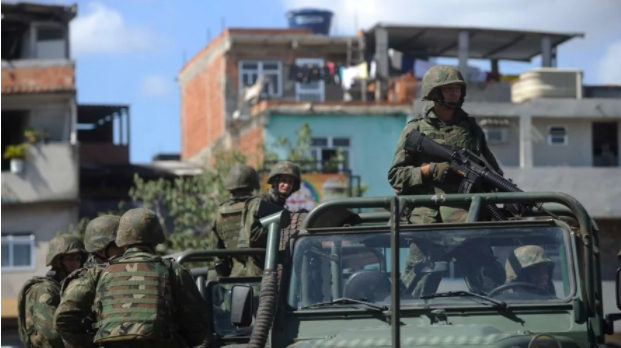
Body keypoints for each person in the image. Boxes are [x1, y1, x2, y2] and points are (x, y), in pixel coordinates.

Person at [387, 65, 505, 297]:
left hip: (469, 220)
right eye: (448, 88)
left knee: (494, 289)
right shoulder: (415, 130)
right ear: (434, 93)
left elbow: (491, 170)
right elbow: (395, 175)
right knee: (412, 296)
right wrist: (429, 171)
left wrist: (505, 193)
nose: (454, 93)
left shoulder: (470, 129)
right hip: (429, 224)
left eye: (457, 88)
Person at [90, 208, 209, 347]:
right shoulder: (173, 270)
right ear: (156, 238)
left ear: (121, 239)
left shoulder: (104, 272)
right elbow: (198, 325)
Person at [54, 215, 123, 348]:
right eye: (118, 245)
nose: (125, 249)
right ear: (101, 249)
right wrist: (91, 344)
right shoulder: (87, 278)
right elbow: (63, 320)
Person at [18, 234, 86, 348]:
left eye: (78, 259)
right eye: (70, 259)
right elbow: (51, 334)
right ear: (56, 262)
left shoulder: (65, 288)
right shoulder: (44, 289)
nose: (76, 263)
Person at [237, 161, 301, 277]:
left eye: (290, 182)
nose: (286, 185)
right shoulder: (258, 203)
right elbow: (253, 237)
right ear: (275, 182)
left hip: (275, 270)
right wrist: (284, 227)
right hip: (257, 272)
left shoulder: (281, 208)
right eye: (283, 181)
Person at [210, 164, 261, 279]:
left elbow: (218, 256)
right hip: (261, 279)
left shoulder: (220, 212)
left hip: (234, 279)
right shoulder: (259, 207)